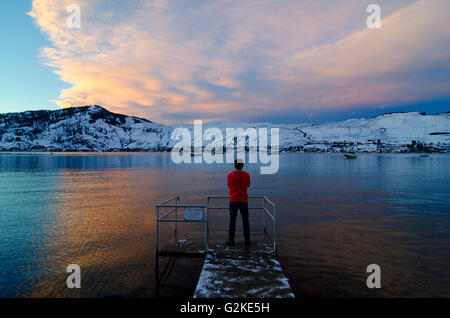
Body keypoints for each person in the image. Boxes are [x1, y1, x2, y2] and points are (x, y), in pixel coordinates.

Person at [227, 159, 251, 247]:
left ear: (234, 165)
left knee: (232, 220)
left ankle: (231, 240)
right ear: (243, 165)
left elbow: (229, 186)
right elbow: (248, 185)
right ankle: (247, 240)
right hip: (243, 200)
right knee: (245, 221)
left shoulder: (230, 175)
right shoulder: (247, 175)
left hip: (233, 200)